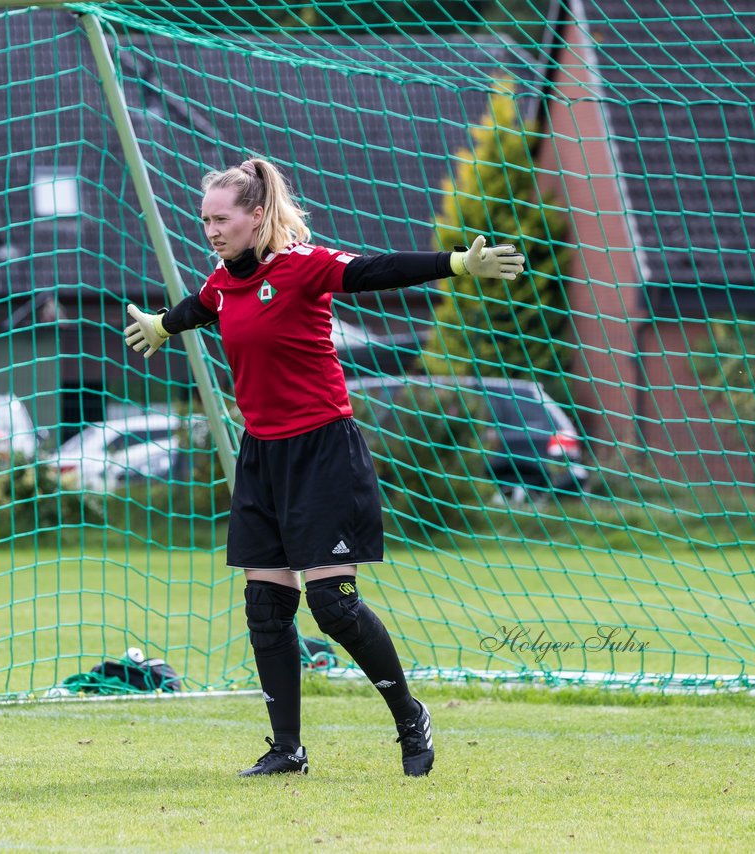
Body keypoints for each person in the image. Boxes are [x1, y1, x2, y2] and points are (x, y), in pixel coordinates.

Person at [124, 156, 524, 777]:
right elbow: (198, 309)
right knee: (265, 606)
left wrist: (456, 263)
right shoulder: (222, 281)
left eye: (221, 218)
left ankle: (409, 717)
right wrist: (160, 325)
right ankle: (288, 749)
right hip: (263, 455)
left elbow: (375, 270)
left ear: (257, 216)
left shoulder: (303, 265)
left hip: (323, 452)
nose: (210, 229)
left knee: (333, 606)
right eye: (204, 219)